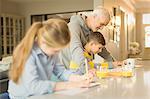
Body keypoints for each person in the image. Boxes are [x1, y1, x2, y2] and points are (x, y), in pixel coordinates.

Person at [8, 19, 92, 99]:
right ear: (44, 42)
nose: (57, 53)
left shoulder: (50, 51)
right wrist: (69, 85)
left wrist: (80, 78)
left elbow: (61, 72)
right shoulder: (27, 54)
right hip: (23, 96)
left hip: (40, 94)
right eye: (56, 50)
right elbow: (33, 86)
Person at [59, 6, 121, 75]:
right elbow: (76, 48)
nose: (102, 28)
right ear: (94, 16)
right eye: (101, 24)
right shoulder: (74, 27)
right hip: (66, 72)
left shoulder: (91, 30)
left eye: (104, 26)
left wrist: (114, 63)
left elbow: (102, 50)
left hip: (78, 72)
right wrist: (88, 69)